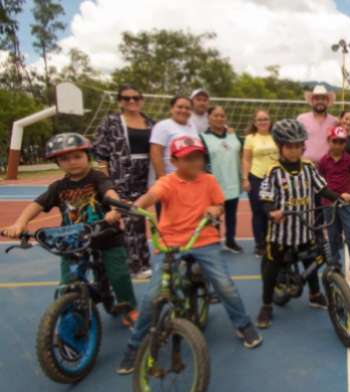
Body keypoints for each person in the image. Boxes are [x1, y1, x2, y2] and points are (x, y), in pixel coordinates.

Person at [117, 135, 262, 374]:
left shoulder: (209, 180)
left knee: (224, 285)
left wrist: (213, 210)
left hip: (203, 239)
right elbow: (151, 196)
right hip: (170, 242)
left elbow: (219, 206)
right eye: (189, 159)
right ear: (175, 161)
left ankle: (243, 324)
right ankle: (134, 347)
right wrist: (137, 206)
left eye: (198, 157)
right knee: (152, 295)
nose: (196, 162)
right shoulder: (167, 182)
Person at [2, 133, 138, 327]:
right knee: (67, 281)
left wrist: (115, 209)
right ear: (58, 163)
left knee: (119, 274)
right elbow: (37, 204)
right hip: (73, 240)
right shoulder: (58, 187)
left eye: (77, 156)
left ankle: (129, 307)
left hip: (106, 235)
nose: (72, 162)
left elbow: (109, 192)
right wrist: (20, 223)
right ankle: (69, 307)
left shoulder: (97, 177)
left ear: (87, 157)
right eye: (65, 159)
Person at [257, 119, 348, 329]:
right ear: (280, 146)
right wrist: (272, 211)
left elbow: (322, 188)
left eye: (299, 145)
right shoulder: (273, 171)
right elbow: (265, 197)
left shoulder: (308, 167)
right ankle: (267, 304)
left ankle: (315, 294)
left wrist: (339, 198)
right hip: (281, 233)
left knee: (312, 261)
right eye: (290, 146)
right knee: (271, 267)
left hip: (305, 228)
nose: (295, 150)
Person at [92, 85, 154, 279]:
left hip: (145, 176)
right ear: (120, 101)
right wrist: (105, 179)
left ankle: (141, 261)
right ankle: (131, 265)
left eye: (136, 97)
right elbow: (100, 153)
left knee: (138, 218)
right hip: (120, 176)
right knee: (125, 219)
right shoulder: (111, 122)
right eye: (126, 98)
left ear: (141, 100)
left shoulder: (151, 123)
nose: (132, 101)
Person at [200, 106, 243, 253]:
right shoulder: (203, 137)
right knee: (214, 216)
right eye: (216, 115)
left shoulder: (234, 136)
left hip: (233, 183)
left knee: (231, 216)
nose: (219, 118)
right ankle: (214, 241)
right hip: (214, 185)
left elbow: (245, 154)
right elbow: (201, 162)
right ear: (209, 117)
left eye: (222, 116)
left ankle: (230, 241)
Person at [318, 126, 350, 278]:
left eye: (341, 142)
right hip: (329, 204)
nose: (338, 145)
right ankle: (335, 264)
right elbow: (321, 180)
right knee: (333, 236)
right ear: (329, 141)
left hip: (346, 203)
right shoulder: (323, 160)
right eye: (335, 141)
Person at [242, 109, 278, 257]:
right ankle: (260, 244)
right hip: (256, 177)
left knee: (273, 211)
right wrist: (245, 178)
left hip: (275, 178)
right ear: (255, 122)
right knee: (258, 212)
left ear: (270, 121)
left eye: (265, 119)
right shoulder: (251, 138)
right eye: (260, 120)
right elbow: (246, 159)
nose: (263, 122)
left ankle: (273, 241)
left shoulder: (275, 135)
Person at [150, 96, 199, 180]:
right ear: (172, 109)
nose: (184, 110)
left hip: (190, 178)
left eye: (187, 108)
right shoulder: (163, 126)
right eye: (180, 107)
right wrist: (163, 179)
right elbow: (156, 154)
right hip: (171, 179)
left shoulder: (192, 126)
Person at [297, 85, 338, 164]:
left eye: (323, 99)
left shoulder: (334, 121)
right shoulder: (301, 119)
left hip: (328, 166)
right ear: (312, 101)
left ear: (327, 101)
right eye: (317, 99)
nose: (320, 101)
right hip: (305, 165)